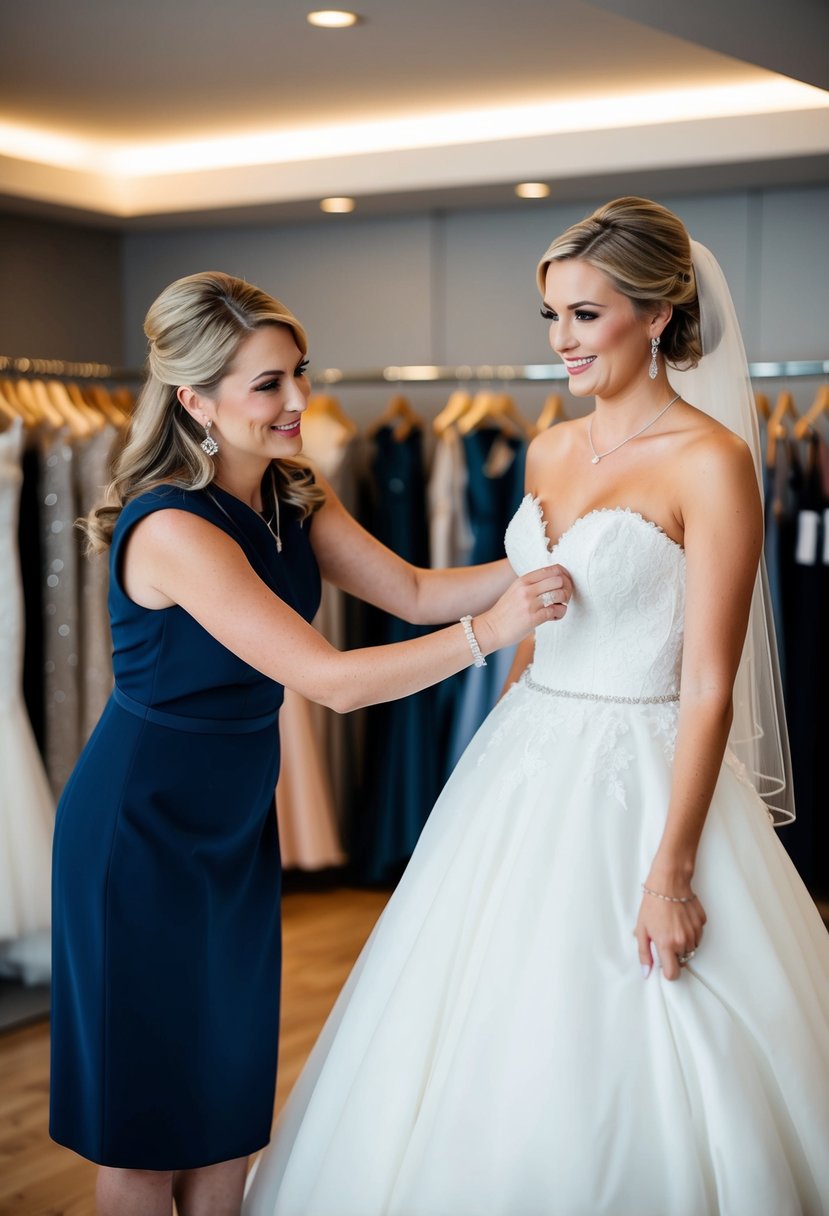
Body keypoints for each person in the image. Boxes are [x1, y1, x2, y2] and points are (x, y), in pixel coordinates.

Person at [243, 199, 829, 1216]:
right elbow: (534, 622)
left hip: (645, 761)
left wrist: (670, 867)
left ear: (656, 315)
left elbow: (706, 685)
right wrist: (493, 754)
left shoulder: (711, 461)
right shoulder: (550, 450)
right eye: (550, 316)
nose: (560, 339)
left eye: (585, 315)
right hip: (523, 751)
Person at [48, 271, 570, 1216]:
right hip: (139, 835)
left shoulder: (293, 494)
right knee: (143, 1128)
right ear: (193, 399)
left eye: (298, 374)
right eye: (266, 385)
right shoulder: (170, 526)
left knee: (224, 1108)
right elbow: (327, 682)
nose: (298, 401)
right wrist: (490, 635)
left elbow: (411, 589)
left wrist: (567, 554)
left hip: (234, 822)